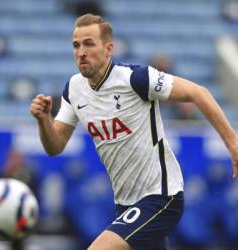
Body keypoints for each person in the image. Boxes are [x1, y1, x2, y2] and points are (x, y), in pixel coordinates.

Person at [30, 13, 238, 250]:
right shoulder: (74, 89)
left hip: (161, 196)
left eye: (89, 43)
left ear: (109, 49)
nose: (81, 52)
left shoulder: (135, 79)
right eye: (76, 45)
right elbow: (55, 146)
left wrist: (233, 144)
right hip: (125, 204)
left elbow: (199, 93)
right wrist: (44, 120)